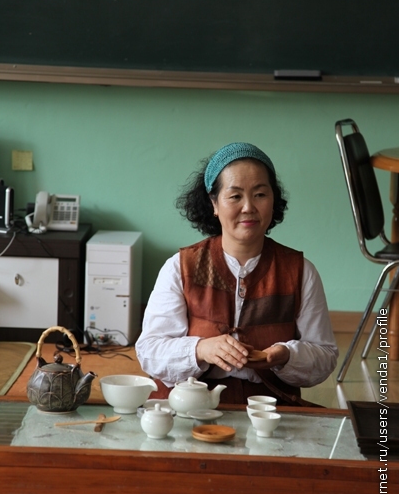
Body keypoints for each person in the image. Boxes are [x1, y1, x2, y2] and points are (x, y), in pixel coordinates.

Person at [135, 142, 338, 405]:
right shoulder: (180, 267)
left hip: (271, 407)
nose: (248, 207)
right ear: (214, 203)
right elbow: (149, 351)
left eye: (260, 194)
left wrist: (287, 355)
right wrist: (200, 349)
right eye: (235, 196)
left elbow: (325, 355)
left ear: (273, 200)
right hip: (188, 405)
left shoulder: (300, 272)